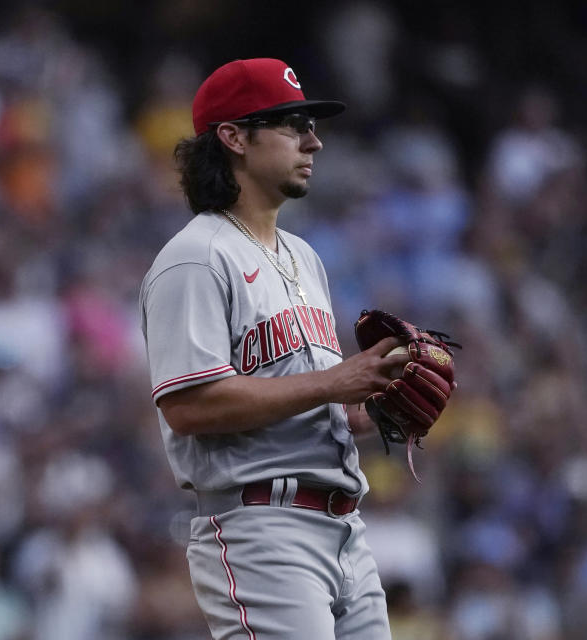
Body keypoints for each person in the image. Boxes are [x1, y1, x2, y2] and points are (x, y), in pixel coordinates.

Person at [139, 58, 409, 639]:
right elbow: (188, 407)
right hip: (259, 528)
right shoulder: (196, 256)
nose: (313, 140)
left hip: (344, 528)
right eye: (291, 123)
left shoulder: (304, 257)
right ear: (234, 137)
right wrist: (335, 382)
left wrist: (373, 403)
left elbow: (313, 402)